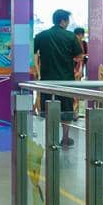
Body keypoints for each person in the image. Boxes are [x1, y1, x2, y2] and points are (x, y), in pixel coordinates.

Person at [33, 9, 81, 145]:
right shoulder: (71, 37)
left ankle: (51, 138)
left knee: (49, 110)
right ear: (63, 21)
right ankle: (65, 137)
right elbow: (78, 56)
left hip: (47, 81)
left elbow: (32, 52)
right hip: (66, 81)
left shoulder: (42, 35)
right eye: (67, 21)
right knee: (66, 110)